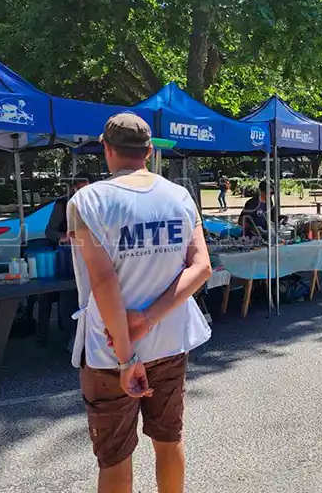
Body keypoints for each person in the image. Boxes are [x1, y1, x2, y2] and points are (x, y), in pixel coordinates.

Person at [68, 112, 212, 492]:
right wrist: (148, 319)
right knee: (169, 441)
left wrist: (128, 355)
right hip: (168, 341)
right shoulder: (180, 196)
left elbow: (103, 280)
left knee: (115, 455)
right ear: (149, 151)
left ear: (106, 149)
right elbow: (201, 267)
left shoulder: (88, 201)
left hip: (109, 349)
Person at [45, 173, 92, 349]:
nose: (83, 192)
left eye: (86, 188)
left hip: (93, 255)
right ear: (72, 189)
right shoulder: (62, 205)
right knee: (69, 295)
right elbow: (49, 231)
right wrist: (62, 237)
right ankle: (72, 337)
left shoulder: (97, 203)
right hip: (68, 257)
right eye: (79, 189)